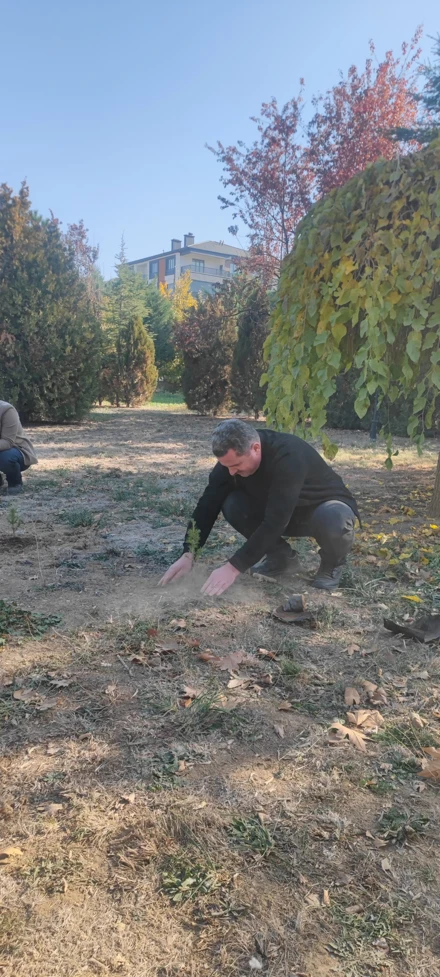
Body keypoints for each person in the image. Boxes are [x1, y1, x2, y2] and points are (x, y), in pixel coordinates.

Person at [159, 419, 359, 596]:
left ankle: (332, 566)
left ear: (255, 448)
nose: (231, 472)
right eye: (226, 466)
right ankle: (282, 559)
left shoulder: (288, 454)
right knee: (232, 504)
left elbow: (277, 520)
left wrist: (233, 567)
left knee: (335, 517)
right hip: (278, 510)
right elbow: (207, 506)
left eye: (236, 465)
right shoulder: (230, 464)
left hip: (318, 512)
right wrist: (189, 553)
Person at [0, 400, 38, 494]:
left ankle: (15, 483)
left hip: (17, 449)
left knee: (5, 458)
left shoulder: (6, 410)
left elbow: (7, 442)